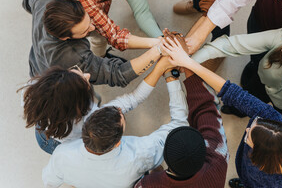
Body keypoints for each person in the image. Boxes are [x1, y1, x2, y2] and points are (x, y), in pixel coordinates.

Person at [160, 37, 282, 188]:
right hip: (248, 172)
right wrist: (189, 63)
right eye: (253, 123)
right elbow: (231, 92)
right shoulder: (269, 117)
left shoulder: (281, 183)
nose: (247, 129)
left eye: (248, 136)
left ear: (259, 156)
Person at [41, 57, 189, 188]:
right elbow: (180, 124)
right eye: (122, 119)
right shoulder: (141, 153)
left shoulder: (61, 156)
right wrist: (171, 77)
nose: (88, 75)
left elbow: (49, 182)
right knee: (157, 170)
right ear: (118, 142)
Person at [23, 0, 162, 87]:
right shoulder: (74, 58)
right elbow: (118, 74)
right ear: (65, 37)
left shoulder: (43, 1)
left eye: (88, 19)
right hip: (52, 84)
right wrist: (157, 50)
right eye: (85, 31)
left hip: (36, 61)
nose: (93, 28)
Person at [21, 64, 154, 154]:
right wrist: (159, 68)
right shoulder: (91, 117)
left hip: (43, 136)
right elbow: (133, 99)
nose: (88, 75)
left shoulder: (32, 90)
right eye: (85, 82)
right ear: (79, 103)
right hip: (67, 146)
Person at [135, 70, 229, 187]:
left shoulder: (148, 184)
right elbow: (207, 108)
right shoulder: (218, 161)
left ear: (165, 158)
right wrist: (188, 66)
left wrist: (155, 170)